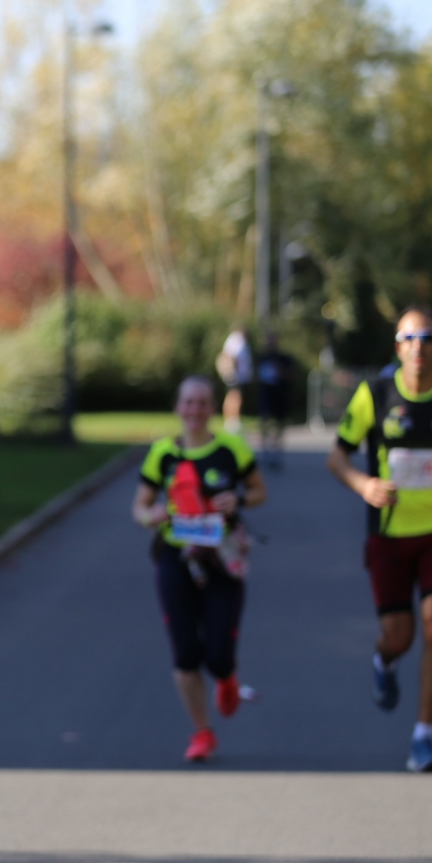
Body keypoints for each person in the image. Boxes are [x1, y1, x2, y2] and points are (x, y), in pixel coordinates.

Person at [327, 306, 432, 772]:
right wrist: (362, 485)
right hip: (388, 536)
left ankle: (423, 736)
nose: (418, 347)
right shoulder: (374, 395)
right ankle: (384, 660)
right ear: (397, 347)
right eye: (409, 338)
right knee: (400, 635)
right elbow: (337, 457)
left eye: (427, 338)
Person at [131, 376, 268, 762]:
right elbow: (139, 506)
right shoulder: (163, 453)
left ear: (213, 408)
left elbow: (259, 491)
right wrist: (151, 516)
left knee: (218, 654)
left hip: (221, 558)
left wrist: (238, 499)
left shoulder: (231, 450)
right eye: (188, 402)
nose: (195, 410)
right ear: (178, 407)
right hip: (176, 558)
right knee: (185, 654)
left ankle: (226, 677)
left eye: (202, 402)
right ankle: (202, 733)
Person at [255, 331, 295, 467]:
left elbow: (291, 374)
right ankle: (265, 450)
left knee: (280, 423)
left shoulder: (283, 358)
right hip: (266, 394)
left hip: (280, 394)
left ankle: (277, 450)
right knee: (264, 420)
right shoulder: (262, 358)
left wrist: (280, 370)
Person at [216, 326, 254, 433]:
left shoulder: (239, 341)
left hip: (239, 376)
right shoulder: (236, 339)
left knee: (235, 396)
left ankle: (233, 420)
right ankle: (231, 421)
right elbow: (230, 356)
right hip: (235, 375)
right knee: (234, 396)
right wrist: (232, 372)